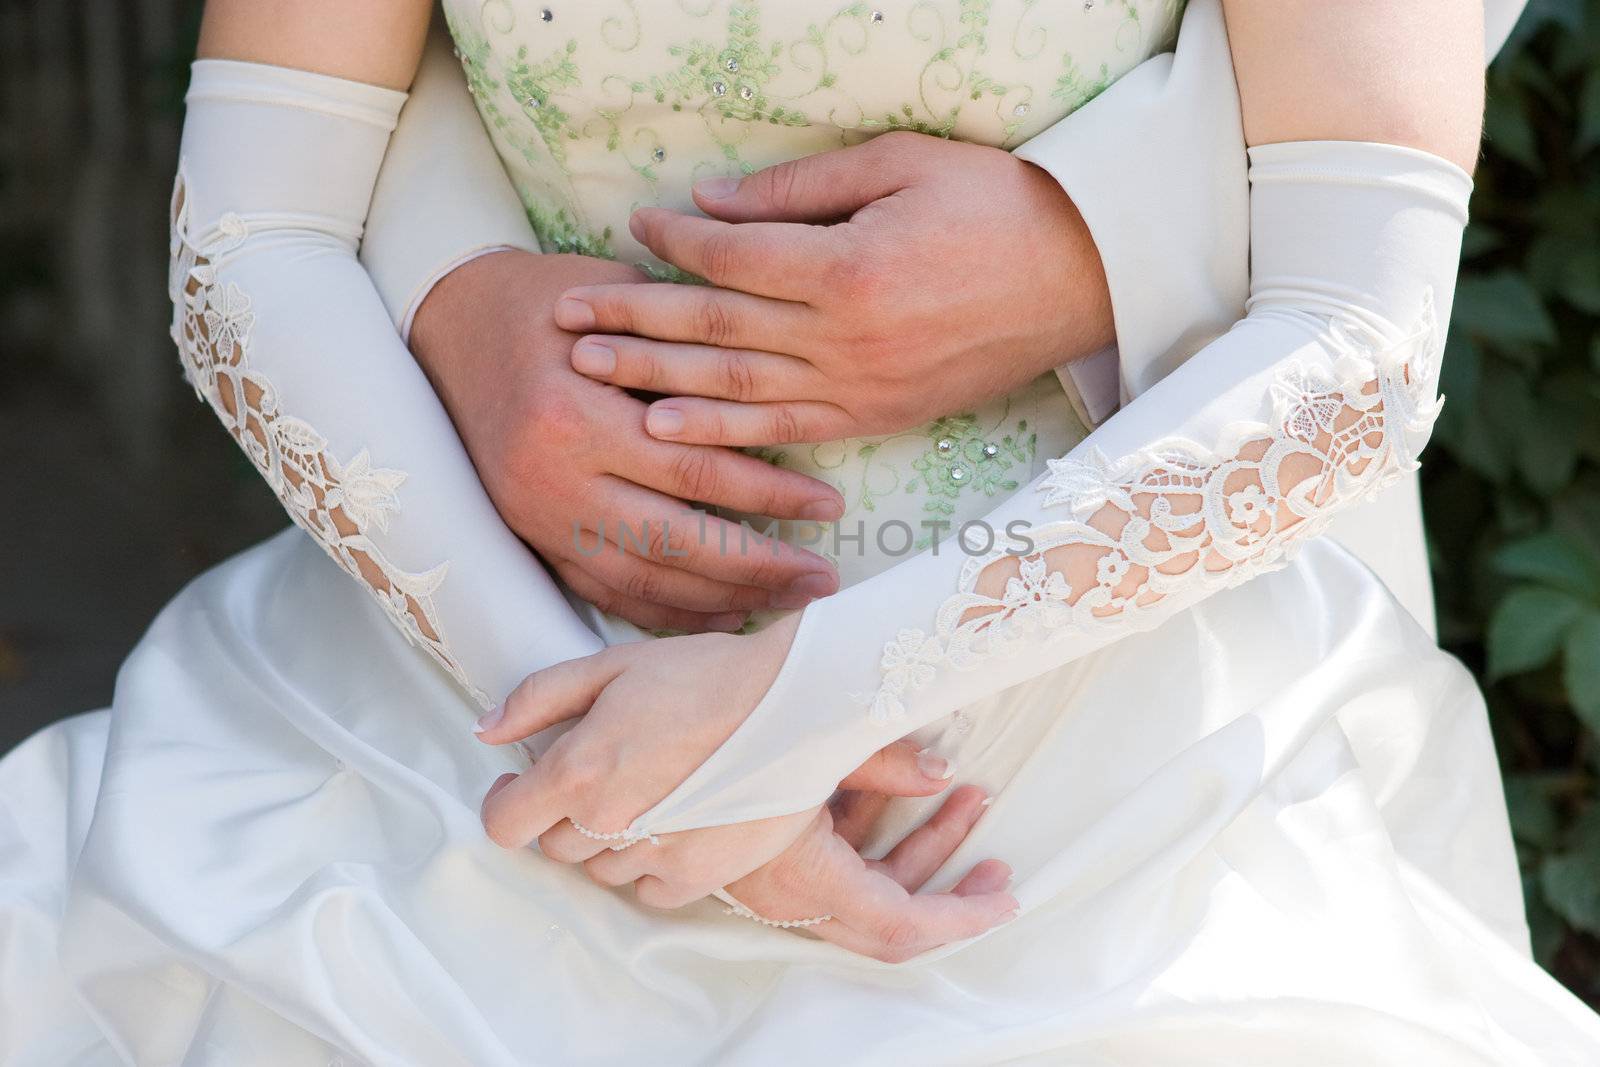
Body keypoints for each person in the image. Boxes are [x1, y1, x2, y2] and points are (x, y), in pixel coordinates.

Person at [5, 1, 1600, 1064]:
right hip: (471, 687)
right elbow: (253, 234)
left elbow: (1353, 336)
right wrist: (584, 732)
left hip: (1078, 732)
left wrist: (809, 702)